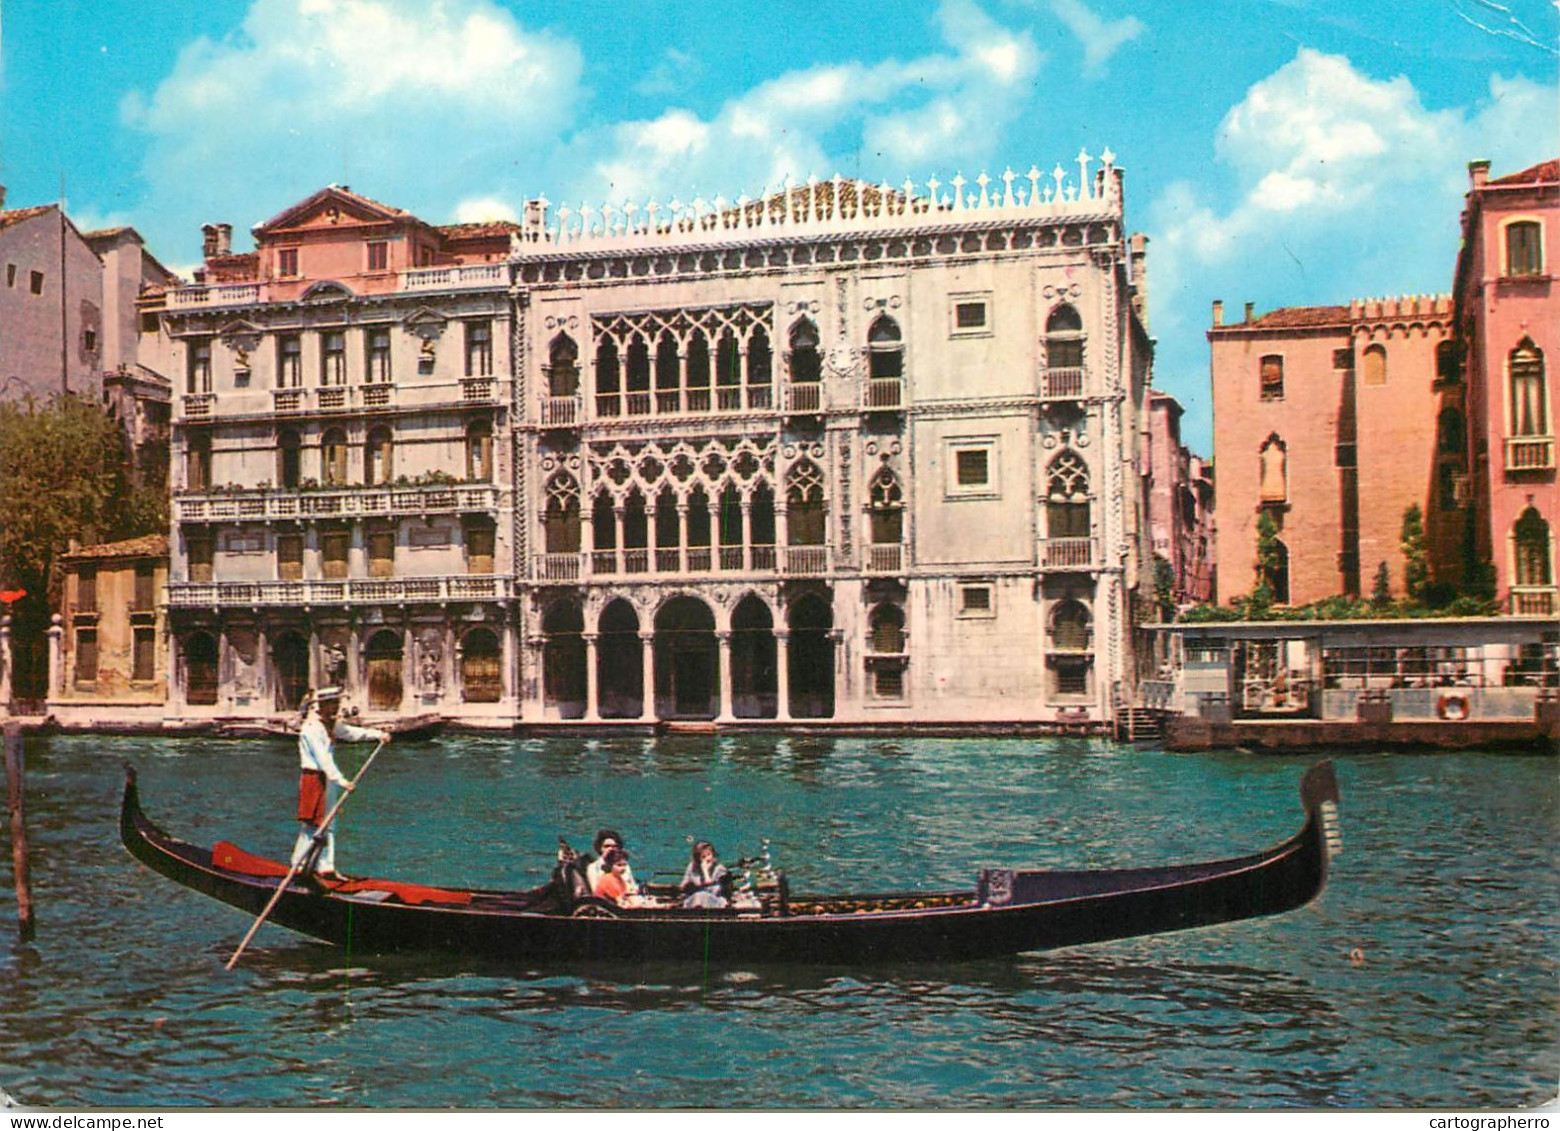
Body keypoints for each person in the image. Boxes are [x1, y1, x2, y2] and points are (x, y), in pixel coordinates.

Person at [291, 687, 389, 879]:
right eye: (333, 704)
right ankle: (299, 864)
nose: (336, 707)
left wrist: (378, 735)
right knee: (313, 823)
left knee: (330, 823)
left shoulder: (331, 724)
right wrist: (342, 781)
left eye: (337, 703)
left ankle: (326, 867)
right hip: (314, 778)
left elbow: (351, 733)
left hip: (327, 779)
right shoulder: (311, 728)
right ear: (323, 705)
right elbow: (323, 759)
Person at [583, 828, 639, 897]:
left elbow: (632, 885)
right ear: (600, 848)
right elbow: (595, 891)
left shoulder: (625, 866)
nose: (611, 849)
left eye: (614, 846)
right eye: (607, 846)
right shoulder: (593, 868)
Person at [679, 841, 730, 909]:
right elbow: (683, 886)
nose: (707, 859)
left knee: (702, 896)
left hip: (714, 901)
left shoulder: (720, 869)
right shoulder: (692, 867)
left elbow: (709, 883)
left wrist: (705, 870)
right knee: (698, 897)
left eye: (709, 855)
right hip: (695, 901)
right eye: (703, 857)